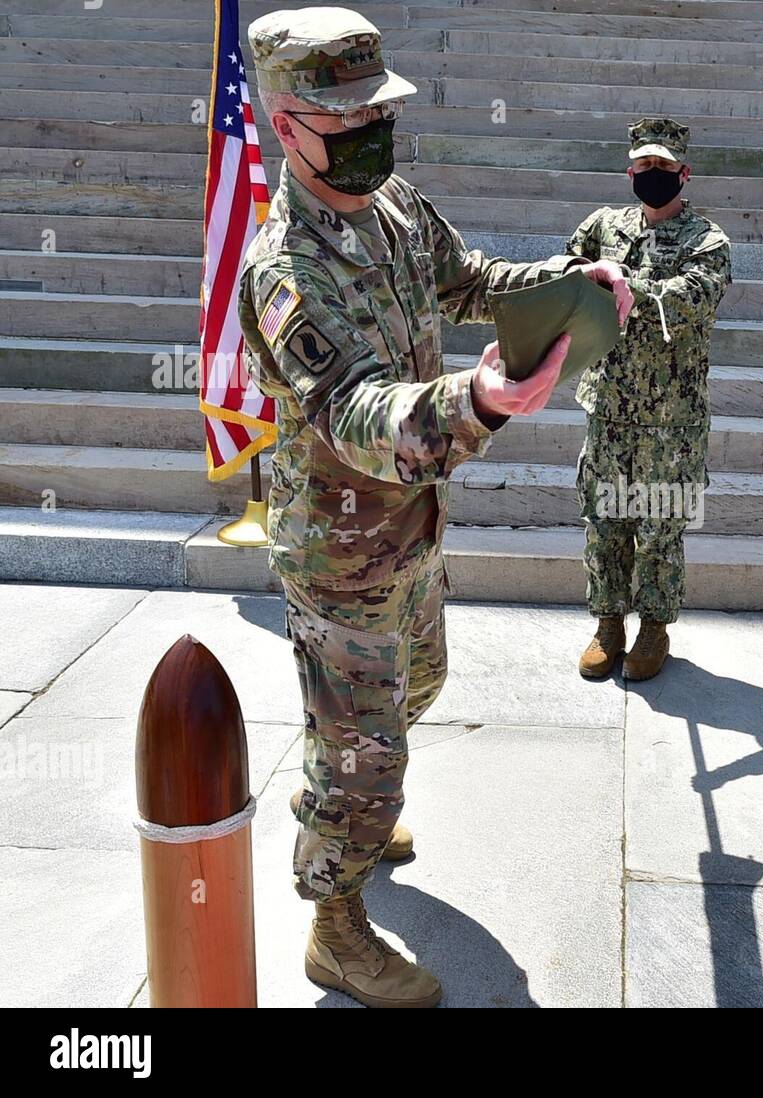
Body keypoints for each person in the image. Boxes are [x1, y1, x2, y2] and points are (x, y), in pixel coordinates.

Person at [238, 7, 631, 1007]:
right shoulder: (285, 268)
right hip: (342, 550)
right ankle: (335, 920)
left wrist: (562, 289)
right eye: (347, 117)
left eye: (380, 110)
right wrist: (480, 400)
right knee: (372, 761)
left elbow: (466, 280)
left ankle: (340, 772)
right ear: (287, 127)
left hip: (409, 529)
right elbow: (355, 411)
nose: (372, 130)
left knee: (414, 693)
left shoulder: (392, 204)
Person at [566, 117, 732, 682]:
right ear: (629, 170)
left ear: (685, 173)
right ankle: (608, 623)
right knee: (605, 520)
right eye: (645, 166)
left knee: (660, 527)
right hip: (609, 405)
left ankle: (654, 628)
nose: (654, 175)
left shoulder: (708, 241)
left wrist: (624, 284)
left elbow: (690, 302)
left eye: (665, 168)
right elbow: (565, 274)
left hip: (671, 418)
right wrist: (584, 272)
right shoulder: (602, 226)